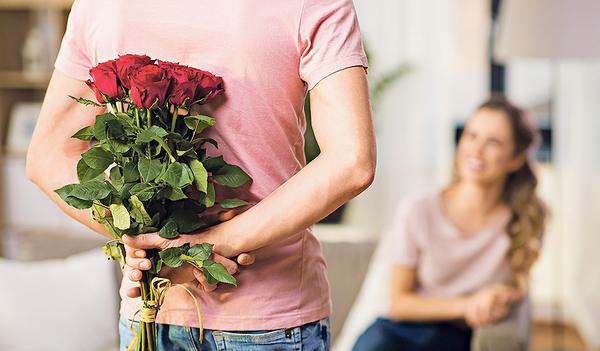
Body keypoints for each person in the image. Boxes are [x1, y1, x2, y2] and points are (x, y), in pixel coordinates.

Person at [26, 0, 376, 350]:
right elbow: (350, 159)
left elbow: (49, 155)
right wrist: (197, 246)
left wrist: (149, 241)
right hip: (262, 316)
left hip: (162, 306)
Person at [352, 96, 545, 351]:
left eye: (494, 142)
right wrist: (468, 305)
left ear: (515, 158)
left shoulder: (528, 216)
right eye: (471, 136)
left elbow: (519, 284)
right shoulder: (418, 211)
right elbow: (398, 303)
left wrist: (501, 298)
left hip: (459, 337)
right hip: (396, 334)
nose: (476, 149)